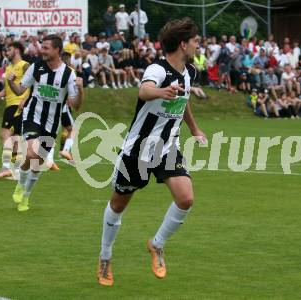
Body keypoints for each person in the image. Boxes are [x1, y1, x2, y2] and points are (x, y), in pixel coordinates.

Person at [97, 17, 207, 286]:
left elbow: (184, 102)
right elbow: (144, 90)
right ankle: (105, 256)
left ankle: (157, 245)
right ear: (183, 44)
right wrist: (160, 92)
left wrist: (194, 129)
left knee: (186, 199)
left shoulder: (190, 72)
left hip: (169, 147)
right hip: (138, 151)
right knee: (118, 204)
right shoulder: (157, 69)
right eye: (195, 41)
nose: (198, 46)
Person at [7, 34, 84, 212]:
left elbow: (76, 105)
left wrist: (81, 89)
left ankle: (25, 197)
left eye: (46, 47)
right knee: (30, 153)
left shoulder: (68, 74)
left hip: (51, 124)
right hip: (33, 116)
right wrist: (11, 82)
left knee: (38, 162)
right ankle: (20, 184)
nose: (42, 50)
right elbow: (20, 90)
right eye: (42, 47)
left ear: (57, 50)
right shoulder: (36, 67)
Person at [0, 42, 30, 180]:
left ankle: (6, 166)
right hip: (10, 104)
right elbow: (8, 88)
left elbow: (31, 84)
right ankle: (17, 171)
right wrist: (0, 94)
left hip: (17, 104)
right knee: (14, 138)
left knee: (4, 134)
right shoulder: (8, 67)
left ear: (17, 50)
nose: (6, 52)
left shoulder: (25, 65)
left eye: (9, 49)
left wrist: (25, 99)